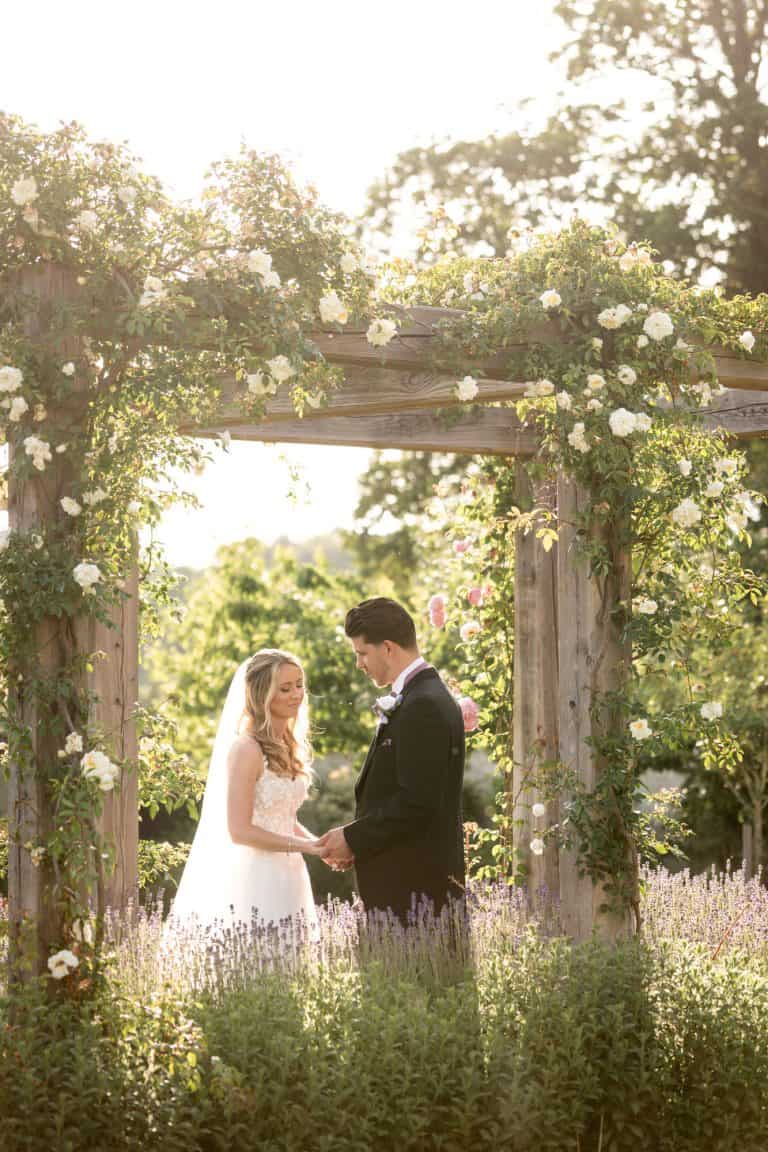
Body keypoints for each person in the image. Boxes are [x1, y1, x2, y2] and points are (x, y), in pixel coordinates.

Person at [319, 597, 466, 921]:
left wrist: (353, 839)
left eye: (362, 653)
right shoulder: (421, 696)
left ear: (387, 648)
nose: (359, 664)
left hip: (414, 896)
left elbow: (416, 803)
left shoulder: (423, 705)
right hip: (412, 892)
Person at [168, 649, 322, 936]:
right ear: (262, 694)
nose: (296, 694)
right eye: (285, 688)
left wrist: (320, 846)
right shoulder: (246, 749)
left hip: (291, 875)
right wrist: (306, 847)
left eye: (299, 685)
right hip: (256, 876)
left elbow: (281, 817)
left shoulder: (287, 744)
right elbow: (240, 830)